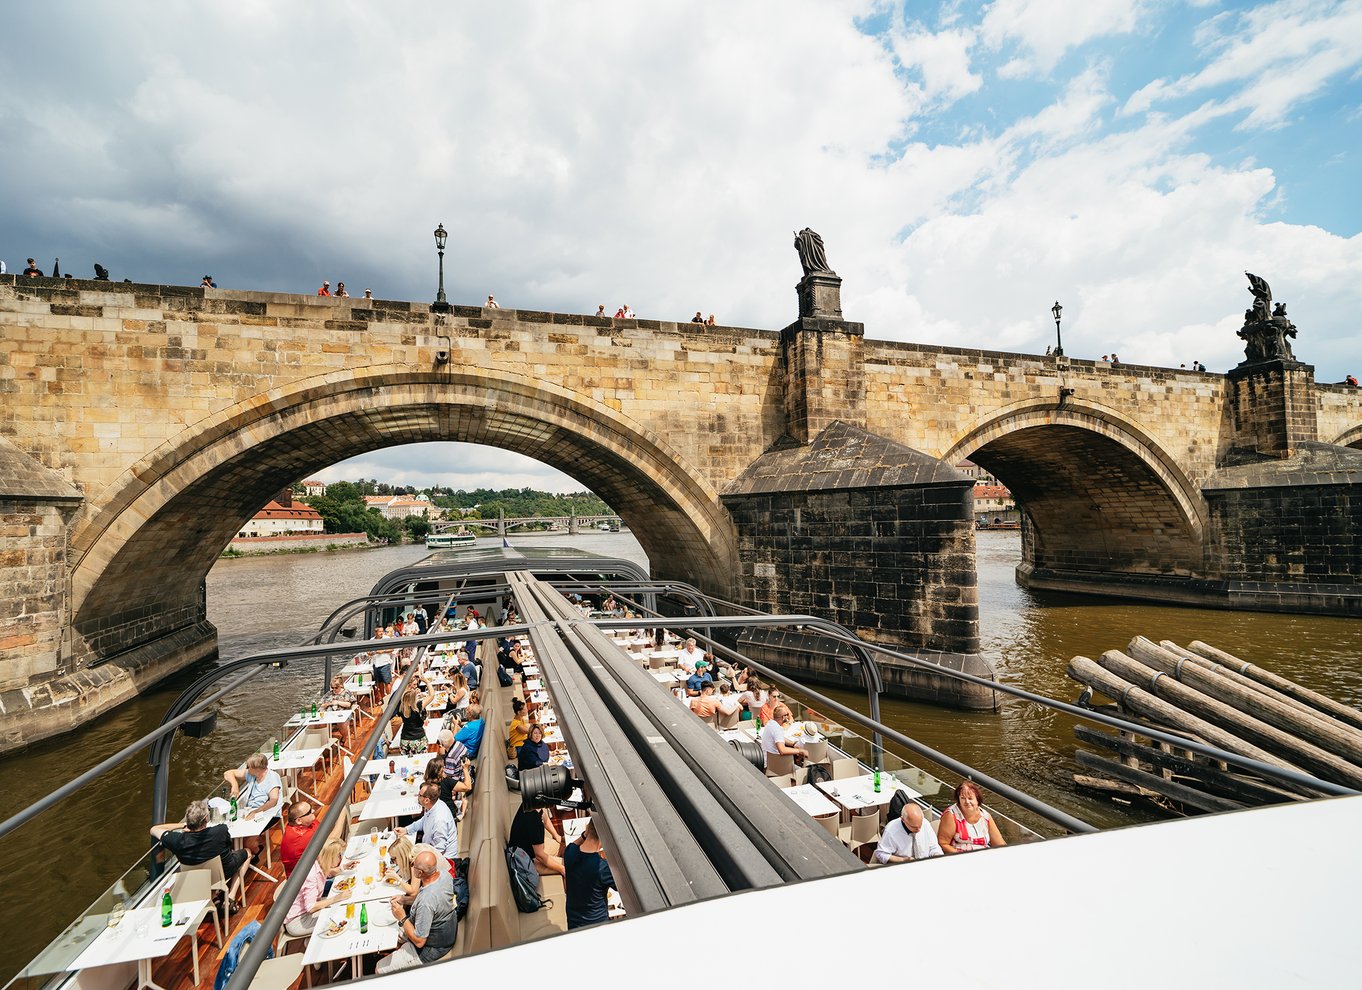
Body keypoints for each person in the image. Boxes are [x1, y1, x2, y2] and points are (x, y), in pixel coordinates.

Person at [376, 850, 457, 972]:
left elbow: (419, 941)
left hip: (431, 948)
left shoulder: (426, 902)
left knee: (379, 968)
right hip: (442, 928)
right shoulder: (444, 875)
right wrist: (404, 900)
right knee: (387, 931)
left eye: (414, 865)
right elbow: (431, 901)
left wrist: (402, 917)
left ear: (420, 872)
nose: (412, 865)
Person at [150, 799, 248, 880]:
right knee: (247, 852)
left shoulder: (177, 840)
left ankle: (214, 895)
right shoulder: (220, 831)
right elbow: (228, 843)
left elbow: (154, 829)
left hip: (194, 879)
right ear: (206, 819)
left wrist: (183, 825)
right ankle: (231, 896)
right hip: (222, 874)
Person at [282, 840, 350, 936]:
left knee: (341, 907)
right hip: (299, 921)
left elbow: (328, 872)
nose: (341, 858)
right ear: (330, 856)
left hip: (306, 913)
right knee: (340, 917)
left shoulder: (318, 863)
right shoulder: (311, 875)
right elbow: (311, 907)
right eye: (339, 855)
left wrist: (344, 867)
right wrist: (337, 898)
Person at [222, 753, 282, 856]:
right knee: (228, 839)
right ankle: (244, 857)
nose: (246, 769)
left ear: (257, 769)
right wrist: (235, 785)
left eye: (248, 767)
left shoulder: (272, 778)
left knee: (248, 843)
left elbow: (273, 801)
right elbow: (228, 773)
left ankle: (255, 853)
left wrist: (256, 811)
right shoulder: (251, 774)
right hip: (248, 810)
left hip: (267, 813)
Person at [563, 819, 615, 929]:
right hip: (597, 923)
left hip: (573, 920)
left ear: (587, 829)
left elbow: (575, 843)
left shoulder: (569, 852)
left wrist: (586, 834)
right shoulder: (602, 868)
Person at [397, 783, 458, 867]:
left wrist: (418, 858)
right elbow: (424, 821)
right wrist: (406, 829)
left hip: (444, 861)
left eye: (420, 795)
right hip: (428, 848)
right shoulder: (434, 805)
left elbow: (439, 850)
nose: (417, 796)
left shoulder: (439, 820)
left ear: (426, 800)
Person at [937, 780, 1006, 854]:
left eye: (970, 798)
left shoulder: (985, 816)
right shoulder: (951, 815)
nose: (967, 802)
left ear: (977, 800)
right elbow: (943, 843)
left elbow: (999, 844)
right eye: (963, 798)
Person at [874, 802, 943, 863]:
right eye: (914, 827)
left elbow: (934, 847)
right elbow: (880, 854)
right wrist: (903, 860)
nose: (919, 830)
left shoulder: (925, 823)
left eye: (920, 825)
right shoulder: (891, 830)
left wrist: (937, 855)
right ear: (903, 820)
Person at [508, 803, 564, 876]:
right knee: (569, 864)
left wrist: (557, 836)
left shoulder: (530, 804)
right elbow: (540, 856)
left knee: (565, 848)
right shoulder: (533, 821)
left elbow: (545, 818)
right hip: (527, 860)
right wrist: (562, 869)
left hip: (534, 847)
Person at [280, 800, 327, 876]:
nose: (313, 811)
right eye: (309, 812)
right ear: (299, 820)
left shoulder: (307, 822)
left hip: (317, 865)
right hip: (307, 879)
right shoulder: (300, 838)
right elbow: (330, 841)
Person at [397, 685, 431, 755]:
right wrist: (427, 682)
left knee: (406, 762)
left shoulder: (401, 709)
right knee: (422, 761)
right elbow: (432, 695)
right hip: (419, 739)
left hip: (405, 740)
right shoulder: (418, 706)